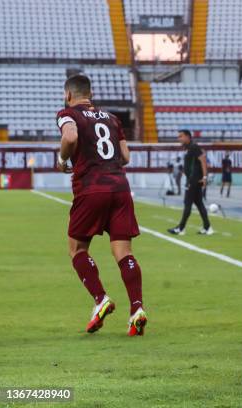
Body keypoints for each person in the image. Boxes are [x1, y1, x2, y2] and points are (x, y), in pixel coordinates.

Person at [55, 74, 147, 336]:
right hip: (119, 188)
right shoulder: (112, 118)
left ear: (68, 95)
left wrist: (63, 160)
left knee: (77, 249)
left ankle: (100, 299)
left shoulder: (67, 113)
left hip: (91, 189)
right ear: (90, 93)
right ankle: (137, 309)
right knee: (124, 252)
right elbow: (126, 156)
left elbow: (70, 138)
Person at [167, 130, 213, 236]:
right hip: (192, 179)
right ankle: (207, 227)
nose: (179, 138)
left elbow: (203, 160)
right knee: (199, 203)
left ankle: (181, 228)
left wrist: (205, 177)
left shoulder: (194, 147)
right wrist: (184, 171)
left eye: (181, 136)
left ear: (188, 137)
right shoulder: (188, 149)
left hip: (194, 180)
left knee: (187, 203)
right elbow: (192, 164)